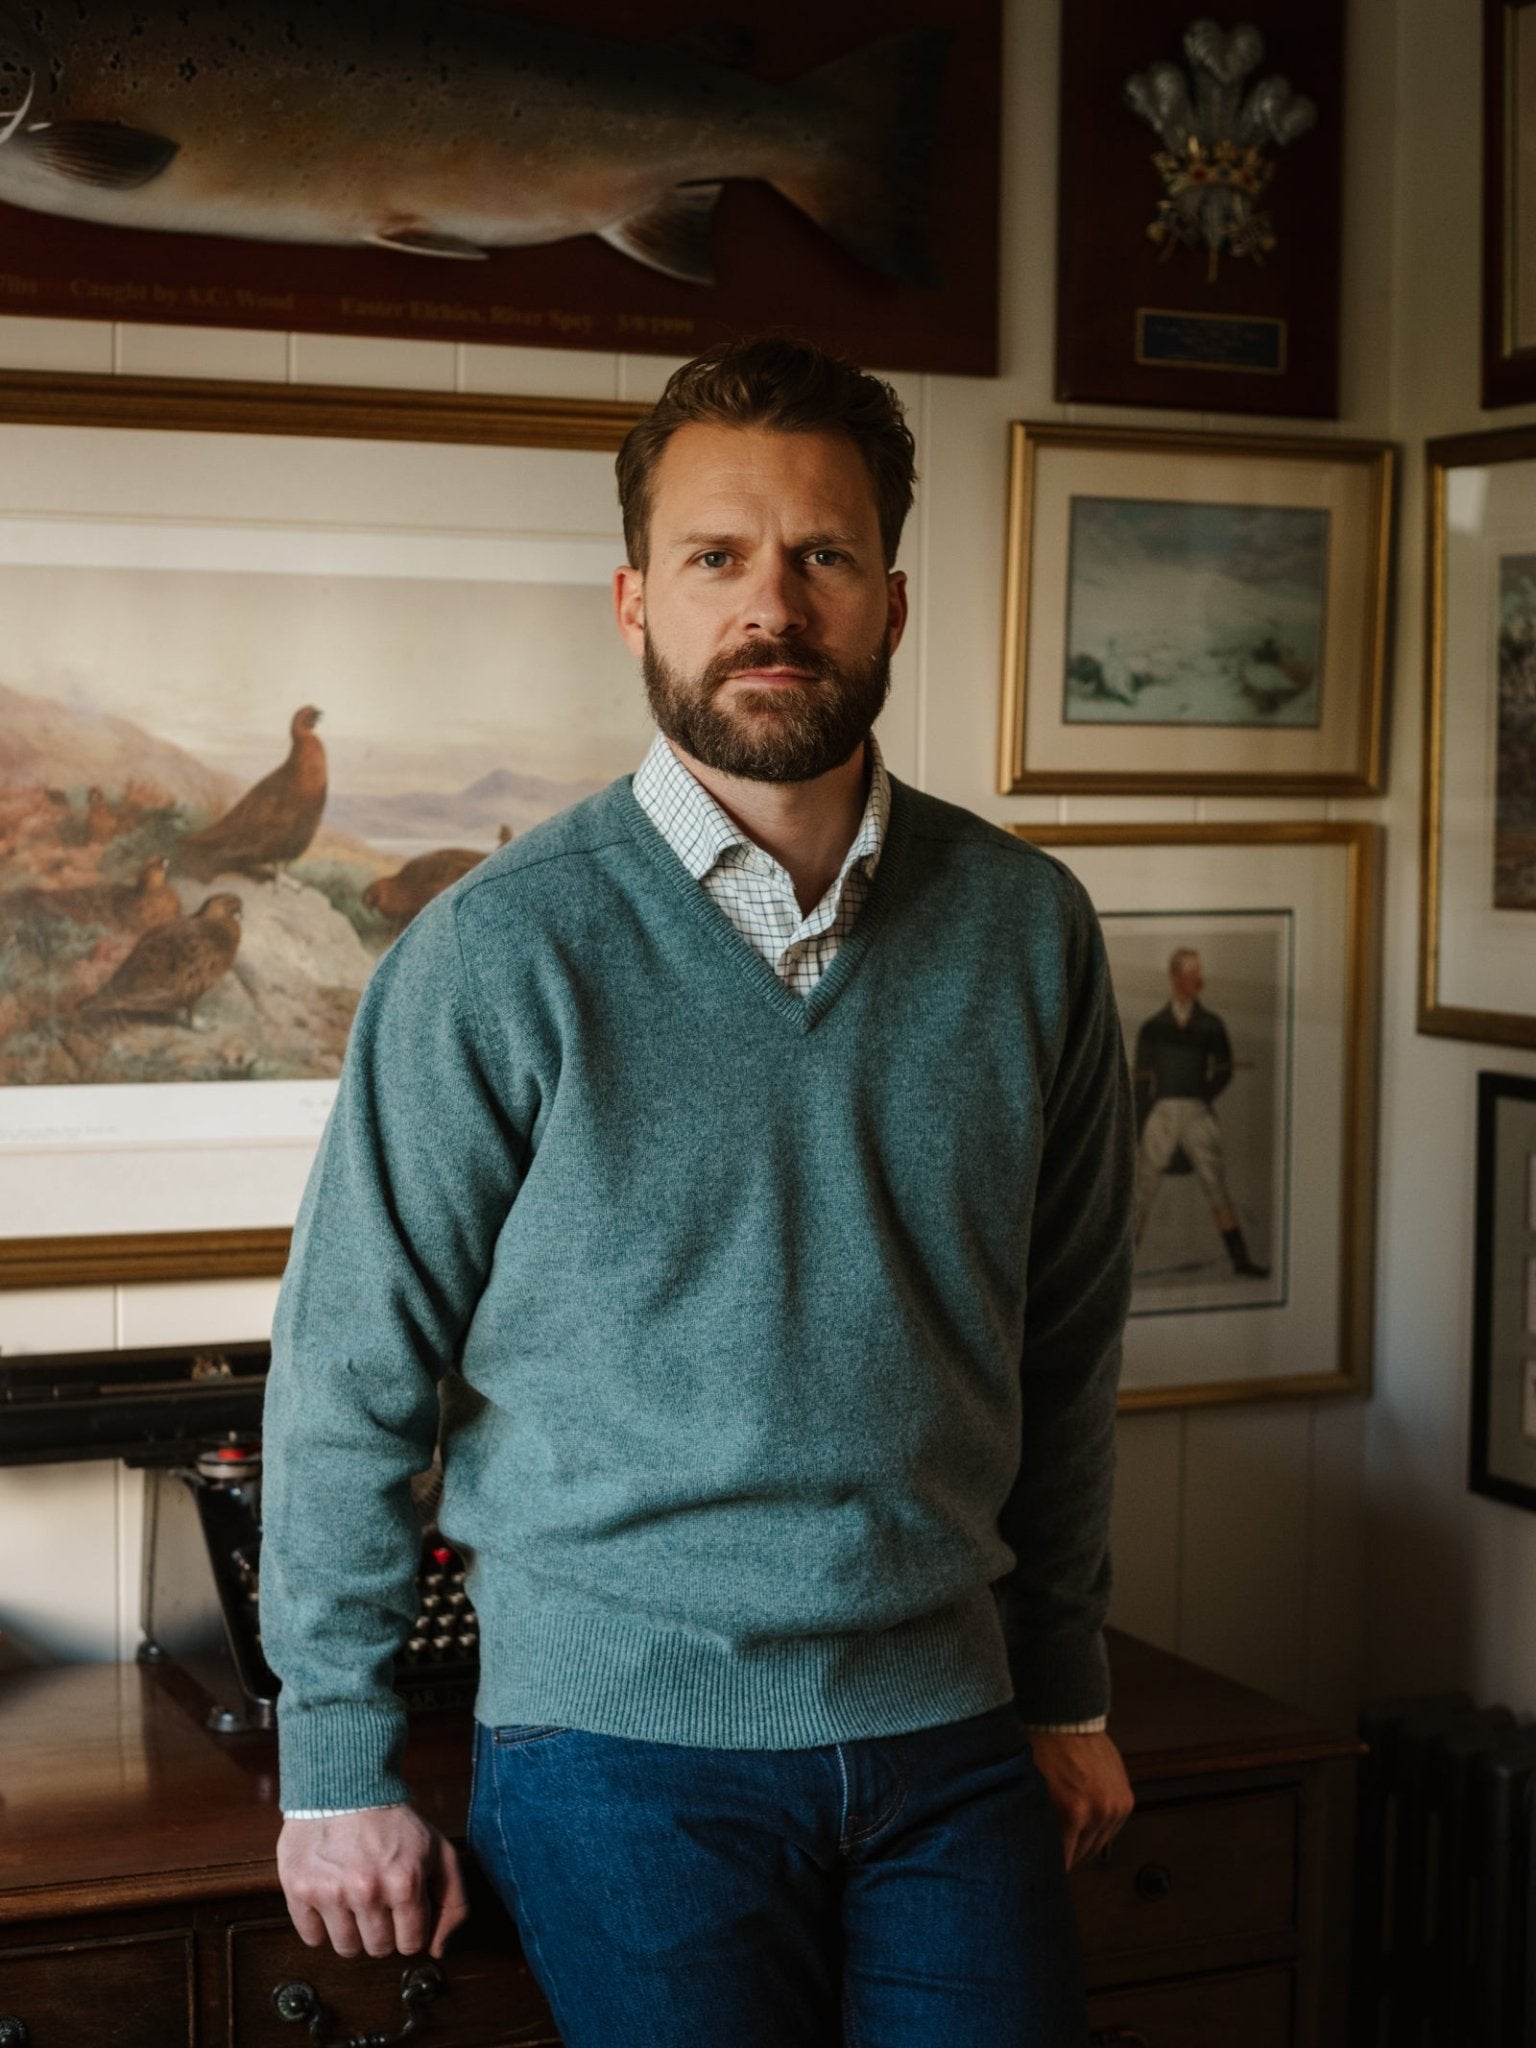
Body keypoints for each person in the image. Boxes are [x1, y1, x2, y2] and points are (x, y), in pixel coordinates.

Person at [261, 335, 1136, 2048]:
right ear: (633, 600)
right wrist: (334, 1766)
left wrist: (1066, 1681)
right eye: (715, 557)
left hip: (950, 1728)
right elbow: (349, 1373)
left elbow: (1069, 1350)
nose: (771, 605)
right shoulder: (498, 952)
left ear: (891, 600)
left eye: (819, 556)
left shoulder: (1031, 932)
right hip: (615, 1749)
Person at [1132, 946, 1268, 1278]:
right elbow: (1141, 1080)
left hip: (1197, 1112)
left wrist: (1200, 1097)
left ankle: (1241, 1262)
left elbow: (1223, 1071)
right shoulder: (1153, 1027)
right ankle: (1120, 1270)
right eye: (1192, 972)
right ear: (1176, 977)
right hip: (1161, 1113)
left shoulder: (1211, 1024)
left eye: (1200, 972)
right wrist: (1141, 1122)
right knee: (1143, 1188)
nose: (1199, 979)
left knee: (1216, 1185)